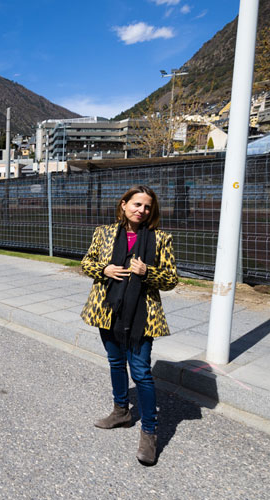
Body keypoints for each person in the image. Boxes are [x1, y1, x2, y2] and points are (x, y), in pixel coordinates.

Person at [80, 185, 179, 466]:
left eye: (147, 207)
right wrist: (104, 269)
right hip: (108, 310)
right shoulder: (104, 233)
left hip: (141, 316)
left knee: (141, 372)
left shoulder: (161, 238)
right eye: (137, 204)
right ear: (123, 205)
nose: (142, 210)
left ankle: (149, 432)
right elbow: (85, 264)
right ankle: (121, 412)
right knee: (115, 362)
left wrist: (148, 272)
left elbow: (171, 279)